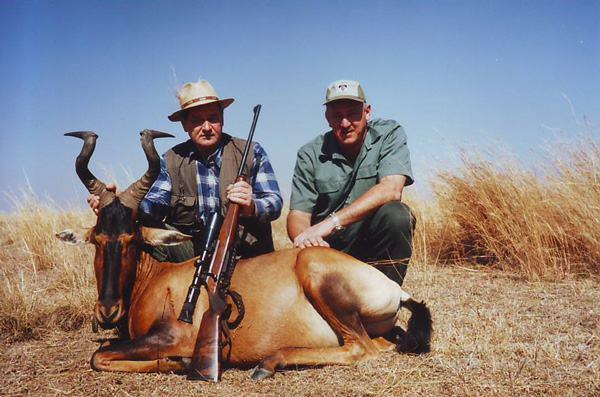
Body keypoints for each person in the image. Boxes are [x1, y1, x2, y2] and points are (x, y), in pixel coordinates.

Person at [89, 79, 282, 261]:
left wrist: (252, 206)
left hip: (247, 254)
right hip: (195, 253)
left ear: (222, 119)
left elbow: (274, 202)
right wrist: (120, 207)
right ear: (184, 125)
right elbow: (155, 205)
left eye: (213, 118)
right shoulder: (171, 160)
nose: (206, 127)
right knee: (142, 233)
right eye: (197, 120)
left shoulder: (250, 151)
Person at [287, 80, 415, 285]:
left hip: (372, 246)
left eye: (353, 113)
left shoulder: (389, 134)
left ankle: (387, 298)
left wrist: (331, 223)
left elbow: (391, 189)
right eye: (337, 115)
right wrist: (308, 238)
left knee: (398, 215)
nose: (345, 123)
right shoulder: (309, 153)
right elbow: (298, 214)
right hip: (328, 253)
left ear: (367, 112)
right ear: (327, 118)